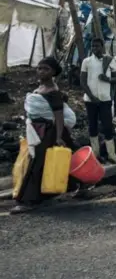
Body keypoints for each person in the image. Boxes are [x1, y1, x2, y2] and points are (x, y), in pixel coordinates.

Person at [11, 57, 77, 214]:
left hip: (49, 132)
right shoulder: (42, 87)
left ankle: (30, 200)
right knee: (59, 160)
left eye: (45, 69)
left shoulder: (53, 92)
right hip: (39, 130)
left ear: (53, 72)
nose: (41, 71)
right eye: (39, 68)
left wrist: (59, 136)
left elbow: (59, 116)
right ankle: (76, 186)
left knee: (37, 164)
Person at [80, 38, 116, 163]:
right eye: (93, 46)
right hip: (90, 100)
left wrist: (107, 79)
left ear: (102, 47)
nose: (95, 48)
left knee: (108, 126)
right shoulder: (86, 62)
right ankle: (96, 155)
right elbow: (83, 81)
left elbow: (115, 79)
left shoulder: (109, 60)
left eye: (97, 46)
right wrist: (92, 97)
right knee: (93, 127)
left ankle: (112, 155)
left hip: (105, 99)